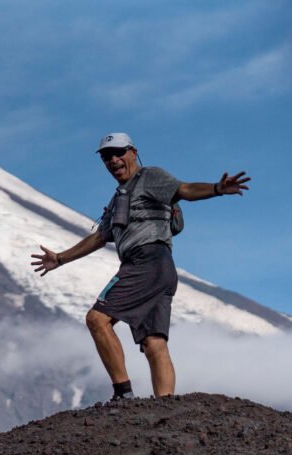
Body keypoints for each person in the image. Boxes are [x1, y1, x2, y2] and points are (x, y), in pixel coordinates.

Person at [31, 132, 250, 399]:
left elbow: (185, 190)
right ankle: (166, 407)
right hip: (162, 269)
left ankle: (123, 394)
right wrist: (60, 258)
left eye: (119, 153)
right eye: (106, 157)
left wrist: (217, 188)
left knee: (97, 319)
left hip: (146, 261)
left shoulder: (151, 177)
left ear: (133, 152)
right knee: (153, 342)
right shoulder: (118, 199)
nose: (113, 160)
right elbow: (101, 237)